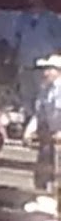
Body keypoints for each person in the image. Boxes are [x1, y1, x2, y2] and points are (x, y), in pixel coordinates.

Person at [13, 0, 61, 123]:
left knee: (44, 96)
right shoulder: (23, 18)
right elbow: (17, 38)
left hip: (44, 65)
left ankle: (42, 123)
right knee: (27, 95)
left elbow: (59, 39)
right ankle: (29, 122)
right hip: (25, 63)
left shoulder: (51, 18)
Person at [29, 55, 61, 192]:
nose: (45, 72)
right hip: (49, 135)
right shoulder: (44, 89)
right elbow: (39, 114)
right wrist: (29, 130)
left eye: (49, 69)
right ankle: (42, 195)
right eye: (44, 69)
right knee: (42, 172)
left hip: (58, 135)